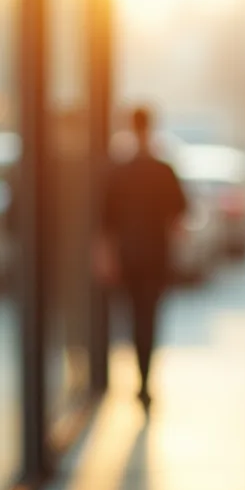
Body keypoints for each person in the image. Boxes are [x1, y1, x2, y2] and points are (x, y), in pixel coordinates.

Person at [99, 106, 188, 409]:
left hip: (129, 257)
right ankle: (144, 380)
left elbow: (105, 222)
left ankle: (142, 378)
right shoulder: (162, 170)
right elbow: (179, 216)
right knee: (148, 318)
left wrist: (108, 257)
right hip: (155, 256)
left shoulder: (119, 171)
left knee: (134, 317)